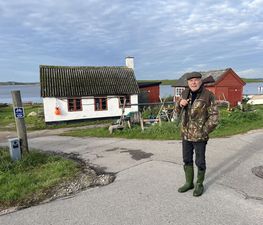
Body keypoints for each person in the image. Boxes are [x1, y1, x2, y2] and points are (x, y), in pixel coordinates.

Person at [176, 72, 219, 197]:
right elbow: (176, 111)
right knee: (186, 159)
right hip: (185, 134)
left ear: (200, 81)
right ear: (188, 83)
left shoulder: (208, 95)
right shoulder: (184, 93)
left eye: (196, 80)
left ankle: (199, 184)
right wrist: (179, 104)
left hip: (200, 136)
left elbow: (214, 117)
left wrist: (204, 131)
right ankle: (189, 183)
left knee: (200, 161)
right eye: (191, 81)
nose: (193, 82)